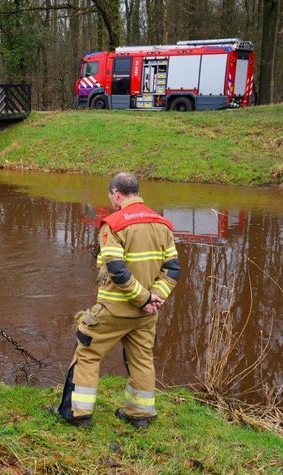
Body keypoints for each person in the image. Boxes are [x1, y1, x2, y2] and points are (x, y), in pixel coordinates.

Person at [53, 172, 181, 429]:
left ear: (116, 193)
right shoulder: (162, 223)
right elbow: (173, 268)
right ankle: (140, 414)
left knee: (87, 354)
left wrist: (143, 298)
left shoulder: (114, 223)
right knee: (142, 359)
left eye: (110, 196)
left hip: (114, 310)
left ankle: (78, 414)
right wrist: (156, 298)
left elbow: (116, 269)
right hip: (146, 315)